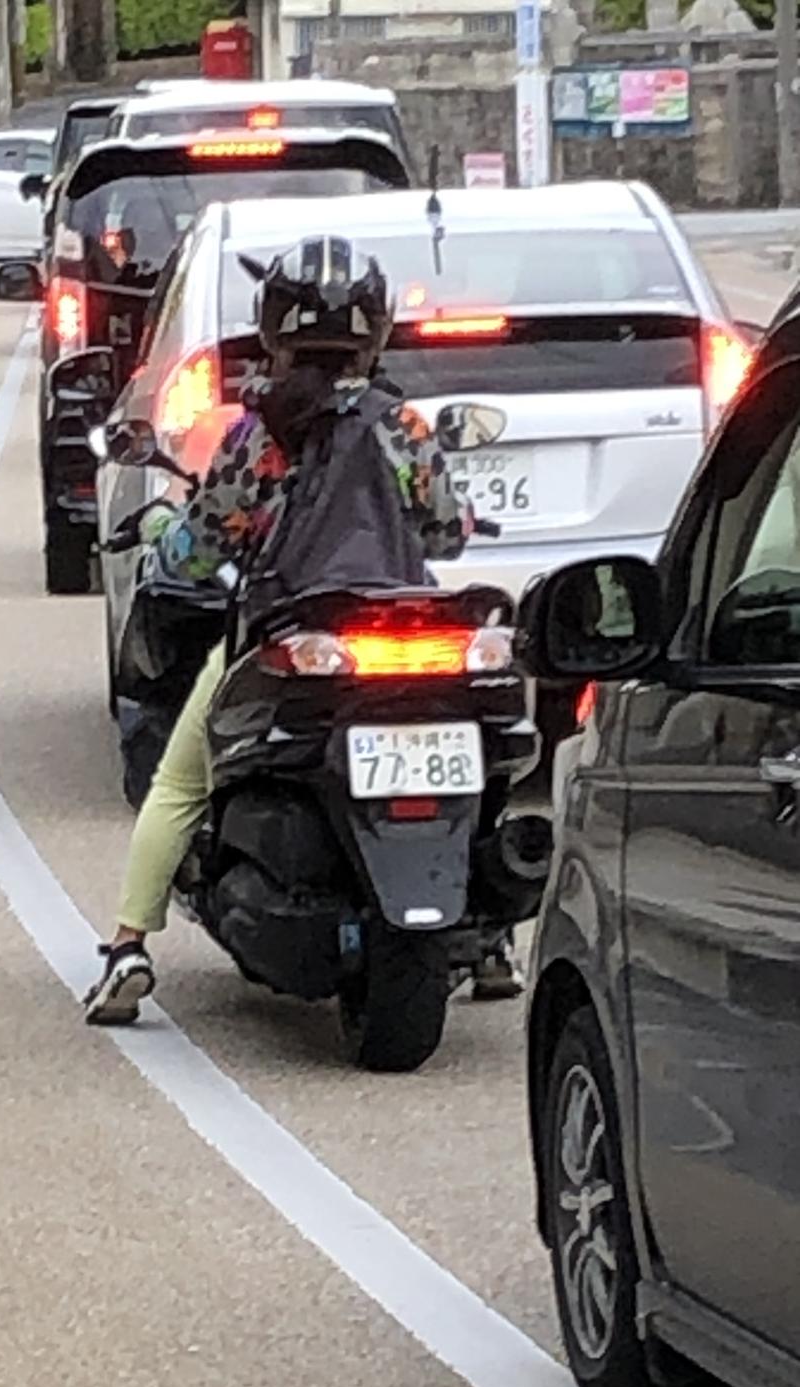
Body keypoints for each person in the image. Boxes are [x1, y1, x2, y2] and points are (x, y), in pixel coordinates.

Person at [84, 235, 520, 1025]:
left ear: (276, 330)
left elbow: (202, 546)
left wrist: (161, 538)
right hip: (412, 631)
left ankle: (126, 951)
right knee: (485, 758)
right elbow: (445, 533)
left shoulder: (260, 436)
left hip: (292, 633)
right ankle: (491, 941)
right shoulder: (404, 428)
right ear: (375, 331)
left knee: (181, 782)